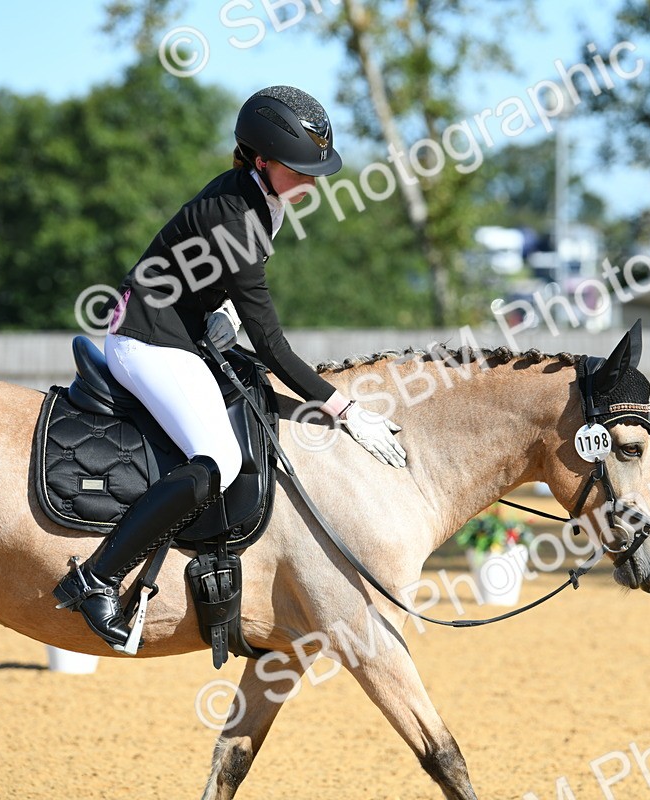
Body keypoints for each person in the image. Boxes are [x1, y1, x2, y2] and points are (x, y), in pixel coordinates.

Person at [54, 86, 407, 652]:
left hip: (181, 330)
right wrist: (345, 409)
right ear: (262, 160)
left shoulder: (258, 198)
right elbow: (270, 342)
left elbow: (201, 272)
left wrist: (216, 313)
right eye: (301, 168)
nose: (313, 180)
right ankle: (97, 577)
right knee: (217, 458)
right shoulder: (240, 216)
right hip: (147, 340)